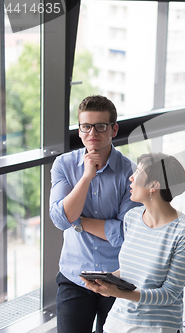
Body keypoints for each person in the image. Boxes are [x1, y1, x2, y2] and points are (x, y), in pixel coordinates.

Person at [49, 95, 141, 333]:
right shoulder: (63, 165)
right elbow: (60, 220)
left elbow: (125, 233)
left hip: (118, 278)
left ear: (114, 129)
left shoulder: (130, 172)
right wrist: (86, 176)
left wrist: (77, 220)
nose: (93, 133)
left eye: (101, 126)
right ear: (79, 131)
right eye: (86, 127)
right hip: (74, 277)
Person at [82, 152, 185, 333]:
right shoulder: (132, 217)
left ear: (153, 185)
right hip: (118, 321)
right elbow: (133, 270)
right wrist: (107, 280)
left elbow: (169, 294)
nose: (131, 177)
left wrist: (118, 292)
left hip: (156, 327)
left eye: (138, 172)